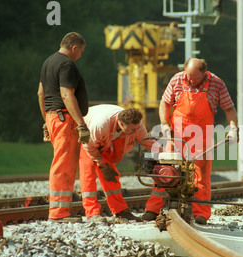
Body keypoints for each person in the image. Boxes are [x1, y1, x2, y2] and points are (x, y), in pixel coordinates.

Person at [142, 58, 238, 224]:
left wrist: (233, 128)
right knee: (166, 169)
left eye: (194, 78)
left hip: (201, 134)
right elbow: (164, 102)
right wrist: (164, 123)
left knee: (200, 174)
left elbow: (229, 108)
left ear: (204, 73)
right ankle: (152, 209)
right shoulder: (178, 79)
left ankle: (201, 213)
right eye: (188, 76)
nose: (190, 80)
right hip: (177, 132)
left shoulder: (216, 84)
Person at [37, 32, 90, 223]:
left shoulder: (48, 62)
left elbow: (41, 93)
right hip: (64, 119)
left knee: (64, 163)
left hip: (54, 118)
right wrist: (82, 125)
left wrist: (46, 120)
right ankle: (58, 212)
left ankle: (63, 210)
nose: (81, 55)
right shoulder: (67, 64)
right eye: (81, 51)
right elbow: (67, 95)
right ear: (74, 47)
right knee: (64, 165)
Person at [79, 104, 157, 222]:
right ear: (121, 124)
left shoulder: (136, 125)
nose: (135, 132)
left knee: (112, 175)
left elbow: (147, 141)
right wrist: (102, 165)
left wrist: (165, 154)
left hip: (102, 142)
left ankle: (120, 211)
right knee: (88, 173)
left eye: (136, 129)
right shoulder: (100, 125)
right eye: (131, 130)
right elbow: (89, 146)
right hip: (87, 139)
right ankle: (92, 213)